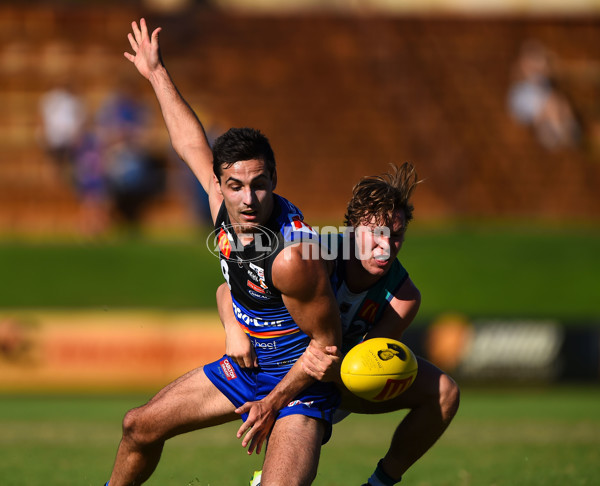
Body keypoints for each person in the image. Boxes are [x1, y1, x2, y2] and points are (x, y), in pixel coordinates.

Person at [104, 19, 342, 486]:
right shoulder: (222, 205)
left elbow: (326, 349)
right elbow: (190, 142)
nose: (248, 199)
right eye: (235, 186)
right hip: (247, 366)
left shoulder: (294, 257)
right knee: (138, 426)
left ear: (273, 179)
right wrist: (155, 73)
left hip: (300, 385)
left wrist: (273, 403)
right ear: (220, 185)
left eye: (259, 185)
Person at [219, 163, 460, 486]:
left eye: (397, 236)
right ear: (350, 229)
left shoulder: (403, 297)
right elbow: (227, 289)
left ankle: (379, 483)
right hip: (276, 369)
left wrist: (343, 372)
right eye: (376, 234)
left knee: (444, 392)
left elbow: (367, 367)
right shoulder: (312, 254)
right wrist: (234, 330)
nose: (386, 247)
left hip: (336, 381)